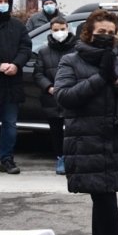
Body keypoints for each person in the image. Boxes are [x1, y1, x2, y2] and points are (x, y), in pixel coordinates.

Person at [53, 9, 118, 235]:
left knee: (103, 197)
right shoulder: (70, 61)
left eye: (109, 33)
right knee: (103, 197)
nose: (105, 36)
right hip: (86, 140)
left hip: (114, 140)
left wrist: (115, 80)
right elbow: (64, 97)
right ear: (88, 33)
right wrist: (99, 78)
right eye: (100, 32)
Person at [0, 0, 32, 176]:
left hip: (12, 83)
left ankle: (7, 159)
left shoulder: (17, 25)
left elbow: (26, 47)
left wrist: (16, 64)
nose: (2, 4)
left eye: (5, 1)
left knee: (10, 124)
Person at [34, 16, 78, 175]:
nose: (60, 32)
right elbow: (38, 74)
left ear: (68, 28)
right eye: (56, 30)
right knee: (56, 132)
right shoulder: (43, 52)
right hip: (52, 98)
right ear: (51, 31)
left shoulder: (78, 49)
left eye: (62, 29)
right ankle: (60, 158)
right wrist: (49, 87)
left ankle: (74, 159)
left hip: (73, 96)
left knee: (74, 130)